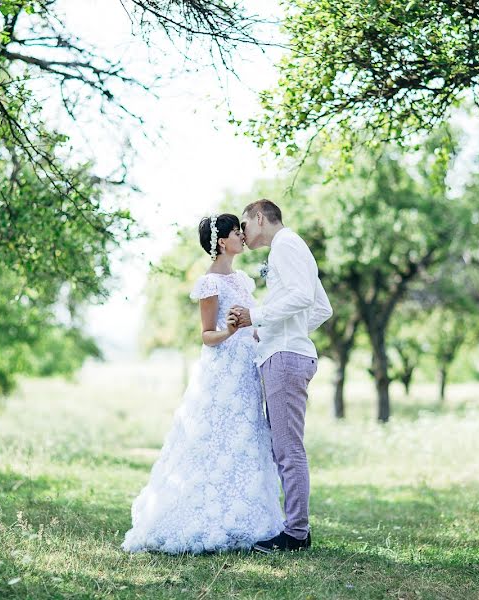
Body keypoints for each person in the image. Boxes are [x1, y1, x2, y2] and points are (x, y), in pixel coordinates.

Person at [122, 214, 284, 554]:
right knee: (214, 439)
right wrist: (229, 331)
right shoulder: (210, 284)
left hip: (246, 368)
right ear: (222, 242)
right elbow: (207, 335)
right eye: (237, 233)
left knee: (246, 437)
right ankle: (205, 513)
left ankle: (248, 517)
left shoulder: (243, 280)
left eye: (242, 231)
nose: (243, 236)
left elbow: (252, 322)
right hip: (222, 371)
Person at [229, 199, 333, 553]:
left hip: (285, 359)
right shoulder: (294, 245)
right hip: (287, 350)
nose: (242, 233)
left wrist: (258, 317)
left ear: (260, 217)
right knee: (285, 447)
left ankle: (296, 534)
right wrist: (278, 330)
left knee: (288, 450)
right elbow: (322, 307)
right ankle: (295, 529)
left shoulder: (284, 245)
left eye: (244, 225)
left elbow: (304, 297)